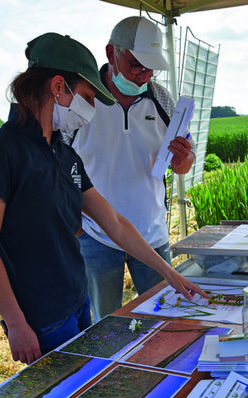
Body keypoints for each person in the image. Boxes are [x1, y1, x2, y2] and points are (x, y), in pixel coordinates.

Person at [0, 32, 206, 398]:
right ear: (58, 88)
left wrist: (173, 275)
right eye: (86, 95)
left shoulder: (61, 151)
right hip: (41, 311)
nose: (91, 106)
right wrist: (15, 322)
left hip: (75, 300)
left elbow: (113, 221)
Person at [70, 16, 196, 321]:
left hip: (152, 231)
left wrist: (184, 160)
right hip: (96, 235)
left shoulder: (163, 99)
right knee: (105, 322)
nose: (143, 75)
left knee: (165, 317)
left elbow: (184, 162)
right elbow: (60, 163)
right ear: (111, 53)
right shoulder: (82, 99)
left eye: (151, 68)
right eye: (136, 65)